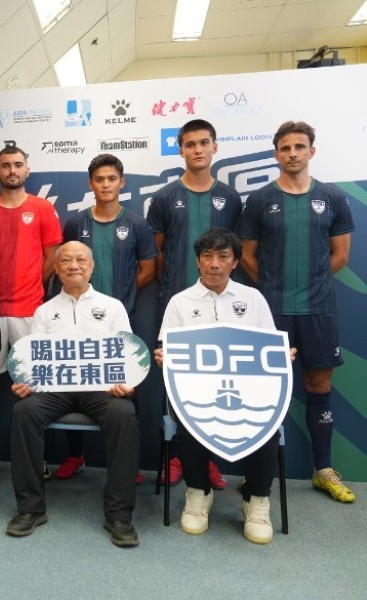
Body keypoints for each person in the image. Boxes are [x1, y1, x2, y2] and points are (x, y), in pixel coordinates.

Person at [238, 120, 355, 503]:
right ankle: (258, 476)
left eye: (299, 147)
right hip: (272, 312)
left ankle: (323, 470)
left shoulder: (332, 198)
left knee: (319, 387)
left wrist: (310, 283)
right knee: (267, 391)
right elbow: (247, 257)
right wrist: (274, 288)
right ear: (276, 154)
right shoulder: (259, 200)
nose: (292, 154)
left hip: (319, 310)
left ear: (311, 151)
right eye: (285, 148)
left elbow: (341, 255)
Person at [5, 242, 140, 547]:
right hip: (56, 388)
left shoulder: (113, 307)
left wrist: (126, 382)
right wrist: (26, 381)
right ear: (56, 268)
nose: (73, 265)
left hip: (100, 387)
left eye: (81, 260)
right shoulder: (44, 311)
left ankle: (119, 514)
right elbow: (33, 359)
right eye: (66, 260)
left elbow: (127, 354)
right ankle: (30, 508)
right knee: (24, 411)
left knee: (124, 414)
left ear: (91, 267)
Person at [156, 228, 286, 544]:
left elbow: (269, 346)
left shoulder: (252, 299)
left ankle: (256, 500)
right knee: (188, 421)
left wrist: (282, 355)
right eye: (207, 256)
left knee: (267, 423)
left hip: (249, 392)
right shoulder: (179, 302)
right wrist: (164, 357)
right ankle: (198, 492)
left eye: (223, 256)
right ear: (198, 261)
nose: (214, 264)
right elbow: (167, 348)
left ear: (235, 262)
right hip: (195, 392)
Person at [147, 119, 241, 489]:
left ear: (215, 147)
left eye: (204, 143)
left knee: (215, 383)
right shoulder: (164, 197)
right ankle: (174, 457)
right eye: (190, 144)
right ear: (181, 150)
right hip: (177, 306)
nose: (197, 149)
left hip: (220, 307)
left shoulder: (231, 198)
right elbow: (156, 252)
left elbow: (233, 250)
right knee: (175, 383)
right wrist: (176, 290)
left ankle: (209, 460)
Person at [0, 145, 62, 474]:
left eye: (18, 164)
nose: (12, 170)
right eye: (6, 165)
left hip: (29, 310)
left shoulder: (43, 208)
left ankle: (37, 457)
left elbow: (53, 257)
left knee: (33, 381)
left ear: (27, 170)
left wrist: (32, 282)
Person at [58, 153, 157, 480]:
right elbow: (67, 264)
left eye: (111, 179)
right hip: (77, 321)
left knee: (126, 388)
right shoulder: (76, 224)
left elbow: (148, 269)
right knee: (73, 381)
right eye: (99, 179)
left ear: (121, 182)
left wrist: (118, 299)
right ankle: (76, 455)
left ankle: (131, 463)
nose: (105, 185)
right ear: (90, 184)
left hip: (120, 321)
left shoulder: (137, 224)